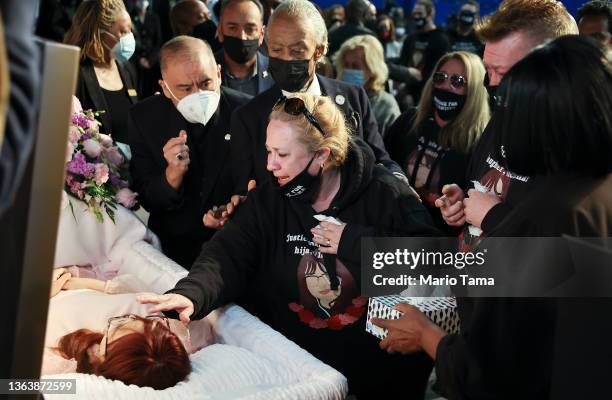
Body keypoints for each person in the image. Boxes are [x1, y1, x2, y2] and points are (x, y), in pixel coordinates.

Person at [140, 92, 438, 398]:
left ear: (322, 155)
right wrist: (190, 295)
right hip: (296, 374)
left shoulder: (387, 195)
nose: (270, 165)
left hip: (373, 378)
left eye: (282, 155)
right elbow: (227, 255)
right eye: (268, 151)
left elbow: (440, 266)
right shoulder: (271, 199)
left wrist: (354, 241)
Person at [374, 34, 612, 399]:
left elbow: (492, 374)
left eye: (511, 106)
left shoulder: (543, 220)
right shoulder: (593, 192)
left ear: (544, 119)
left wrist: (424, 334)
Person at [434, 0, 578, 251]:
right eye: (489, 71)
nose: (492, 84)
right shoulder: (503, 115)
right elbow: (481, 188)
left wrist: (492, 217)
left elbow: (569, 262)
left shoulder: (579, 149)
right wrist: (463, 203)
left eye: (504, 73)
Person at [226, 0, 404, 204]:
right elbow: (245, 190)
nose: (286, 58)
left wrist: (400, 184)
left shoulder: (354, 98)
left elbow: (380, 161)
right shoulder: (248, 117)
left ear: (319, 50)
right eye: (276, 50)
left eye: (297, 51)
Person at [128, 36, 252, 269]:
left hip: (236, 249)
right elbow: (144, 196)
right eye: (185, 88)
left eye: (205, 83)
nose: (198, 93)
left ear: (218, 73)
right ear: (165, 88)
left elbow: (260, 183)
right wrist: (172, 176)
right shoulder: (144, 118)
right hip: (171, 253)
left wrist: (233, 210)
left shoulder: (246, 112)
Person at [43, 270, 212, 388]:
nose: (122, 319)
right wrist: (75, 283)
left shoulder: (65, 372)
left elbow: (18, 387)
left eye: (113, 330)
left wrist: (38, 296)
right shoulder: (178, 333)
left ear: (104, 358)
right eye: (133, 319)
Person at [385, 51, 489, 234]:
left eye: (457, 81)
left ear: (474, 90)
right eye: (440, 77)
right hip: (390, 225)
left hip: (437, 243)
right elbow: (383, 160)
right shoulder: (410, 120)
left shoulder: (480, 142)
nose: (446, 86)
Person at [64, 0, 139, 158]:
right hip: (97, 175)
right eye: (123, 31)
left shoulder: (127, 69)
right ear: (100, 33)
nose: (129, 38)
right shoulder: (76, 73)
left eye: (130, 30)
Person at [334, 34, 401, 137]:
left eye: (356, 66)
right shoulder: (335, 98)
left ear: (372, 69)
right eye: (346, 65)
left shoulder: (386, 106)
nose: (349, 71)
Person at [214, 0, 274, 96]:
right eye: (233, 28)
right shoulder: (205, 72)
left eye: (250, 29)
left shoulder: (277, 72)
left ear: (262, 34)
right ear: (220, 32)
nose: (242, 36)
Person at [398, 0, 450, 101]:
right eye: (415, 13)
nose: (416, 17)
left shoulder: (441, 39)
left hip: (429, 94)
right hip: (408, 92)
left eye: (420, 14)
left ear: (431, 14)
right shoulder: (410, 38)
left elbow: (441, 71)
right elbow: (403, 63)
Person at [129, 0, 163, 98]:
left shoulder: (154, 17)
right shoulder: (130, 17)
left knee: (152, 90)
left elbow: (158, 42)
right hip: (136, 62)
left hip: (152, 62)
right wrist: (139, 59)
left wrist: (150, 60)